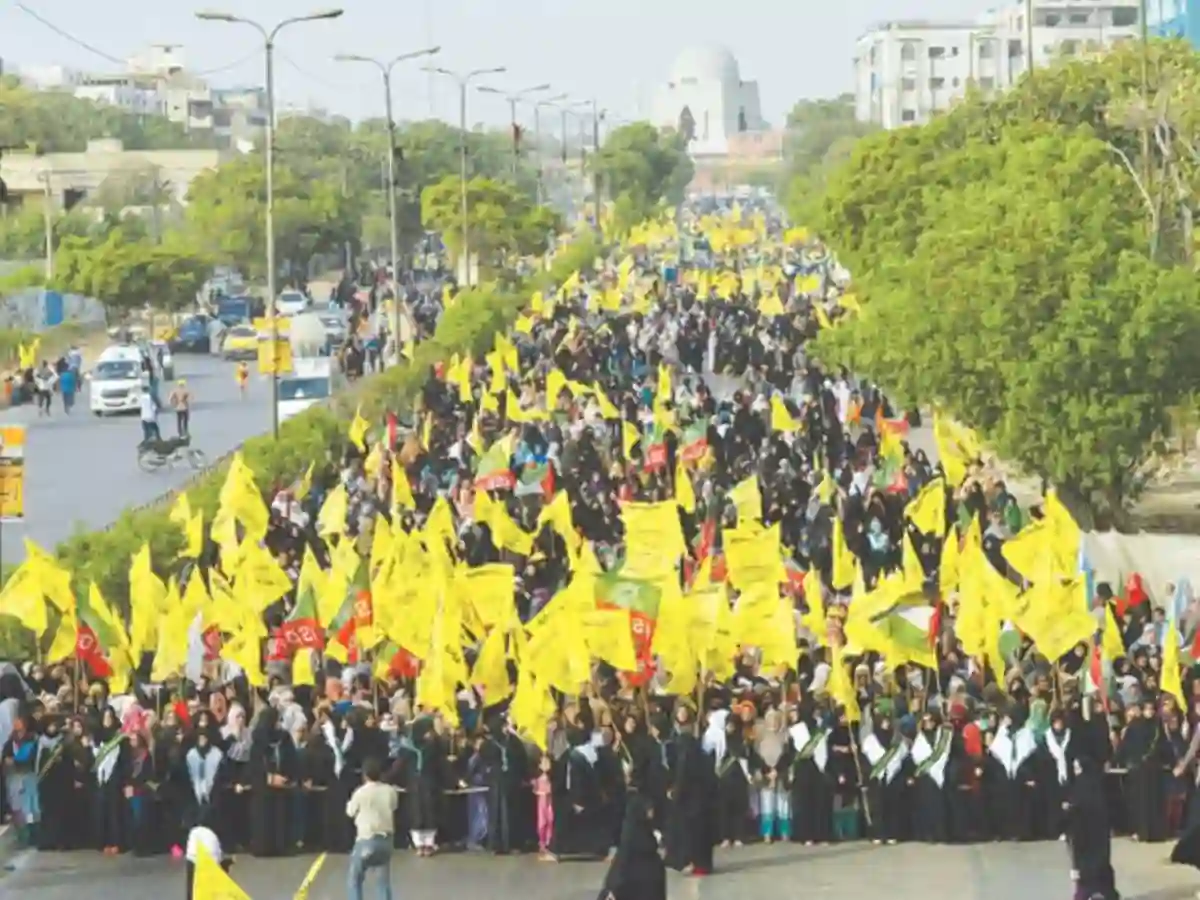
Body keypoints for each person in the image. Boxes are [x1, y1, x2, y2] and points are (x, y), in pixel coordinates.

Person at [595, 792, 666, 900]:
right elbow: (622, 864)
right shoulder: (632, 837)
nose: (651, 812)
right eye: (648, 809)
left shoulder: (644, 831)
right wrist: (613, 888)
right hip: (636, 885)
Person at [346, 756, 397, 900]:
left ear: (364, 775)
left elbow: (350, 812)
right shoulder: (390, 790)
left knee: (354, 879)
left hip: (367, 839)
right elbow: (393, 806)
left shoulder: (360, 792)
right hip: (387, 840)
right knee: (383, 881)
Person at [185, 811, 232, 900]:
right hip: (208, 863)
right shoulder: (213, 836)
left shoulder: (194, 831)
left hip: (191, 859)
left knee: (191, 888)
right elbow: (217, 857)